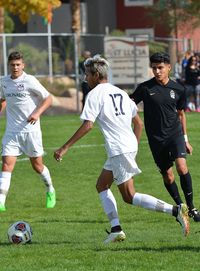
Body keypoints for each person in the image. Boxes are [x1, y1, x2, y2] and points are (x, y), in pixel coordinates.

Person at [54, 55, 189, 243]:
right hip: (125, 146)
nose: (85, 78)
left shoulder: (94, 94)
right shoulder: (121, 93)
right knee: (102, 185)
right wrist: (131, 146)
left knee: (129, 196)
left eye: (86, 74)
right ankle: (116, 229)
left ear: (95, 75)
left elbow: (88, 125)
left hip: (119, 149)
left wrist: (64, 147)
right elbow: (138, 124)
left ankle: (175, 211)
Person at [130, 52, 200, 222]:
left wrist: (185, 140)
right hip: (156, 139)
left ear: (169, 67)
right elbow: (128, 105)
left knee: (182, 167)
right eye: (154, 68)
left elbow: (181, 114)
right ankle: (180, 207)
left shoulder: (178, 89)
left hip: (175, 135)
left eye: (160, 68)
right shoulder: (145, 88)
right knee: (168, 176)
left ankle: (192, 207)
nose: (157, 71)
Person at [0, 51, 56, 211]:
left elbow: (48, 98)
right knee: (6, 165)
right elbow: (3, 100)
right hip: (12, 132)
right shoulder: (3, 82)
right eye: (12, 65)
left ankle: (50, 190)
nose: (15, 67)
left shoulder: (30, 80)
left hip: (31, 132)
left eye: (18, 64)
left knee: (37, 166)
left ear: (23, 65)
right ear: (8, 65)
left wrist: (37, 113)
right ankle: (1, 202)